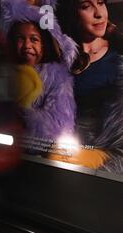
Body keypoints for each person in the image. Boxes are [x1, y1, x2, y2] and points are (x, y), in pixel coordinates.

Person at [0, 0, 78, 147]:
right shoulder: (3, 72)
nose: (27, 46)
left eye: (34, 39)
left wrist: (23, 114)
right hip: (4, 149)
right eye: (20, 39)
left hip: (41, 154)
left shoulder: (58, 78)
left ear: (44, 45)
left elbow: (59, 126)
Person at [55, 0, 123, 172]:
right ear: (73, 13)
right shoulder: (58, 60)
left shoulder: (117, 59)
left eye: (101, 3)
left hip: (104, 164)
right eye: (86, 6)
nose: (99, 14)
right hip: (63, 157)